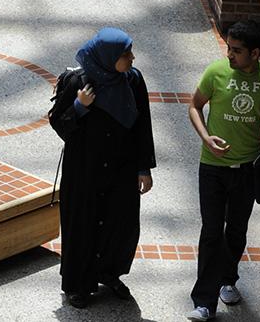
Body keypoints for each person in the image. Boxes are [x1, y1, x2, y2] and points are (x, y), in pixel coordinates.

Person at [185, 20, 260, 321]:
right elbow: (194, 106)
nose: (229, 54)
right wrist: (205, 137)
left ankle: (228, 278)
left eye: (237, 51)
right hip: (212, 167)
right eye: (228, 48)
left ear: (255, 53)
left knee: (236, 232)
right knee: (212, 232)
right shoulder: (215, 72)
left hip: (247, 170)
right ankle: (204, 301)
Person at [50, 27, 156, 309]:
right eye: (126, 54)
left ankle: (108, 274)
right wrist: (79, 106)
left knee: (118, 224)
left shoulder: (132, 81)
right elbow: (59, 123)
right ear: (108, 57)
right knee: (82, 226)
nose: (132, 58)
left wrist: (143, 168)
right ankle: (78, 285)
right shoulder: (77, 82)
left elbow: (142, 125)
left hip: (121, 168)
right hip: (84, 171)